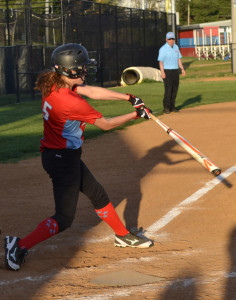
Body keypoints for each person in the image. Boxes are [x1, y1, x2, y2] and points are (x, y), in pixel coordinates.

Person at [4, 43, 154, 271]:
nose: (85, 71)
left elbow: (92, 91)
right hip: (62, 161)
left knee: (97, 194)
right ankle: (19, 246)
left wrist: (128, 97)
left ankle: (122, 235)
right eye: (81, 68)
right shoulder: (71, 103)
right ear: (69, 71)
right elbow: (105, 124)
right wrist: (136, 114)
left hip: (61, 156)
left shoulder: (54, 83)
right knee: (64, 218)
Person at [158, 31, 186, 114]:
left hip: (175, 71)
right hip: (167, 71)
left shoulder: (176, 47)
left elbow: (179, 59)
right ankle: (166, 108)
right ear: (166, 39)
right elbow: (161, 62)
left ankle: (172, 107)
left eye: (172, 38)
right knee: (168, 90)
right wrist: (162, 72)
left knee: (175, 89)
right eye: (169, 39)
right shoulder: (163, 49)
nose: (171, 40)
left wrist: (182, 68)